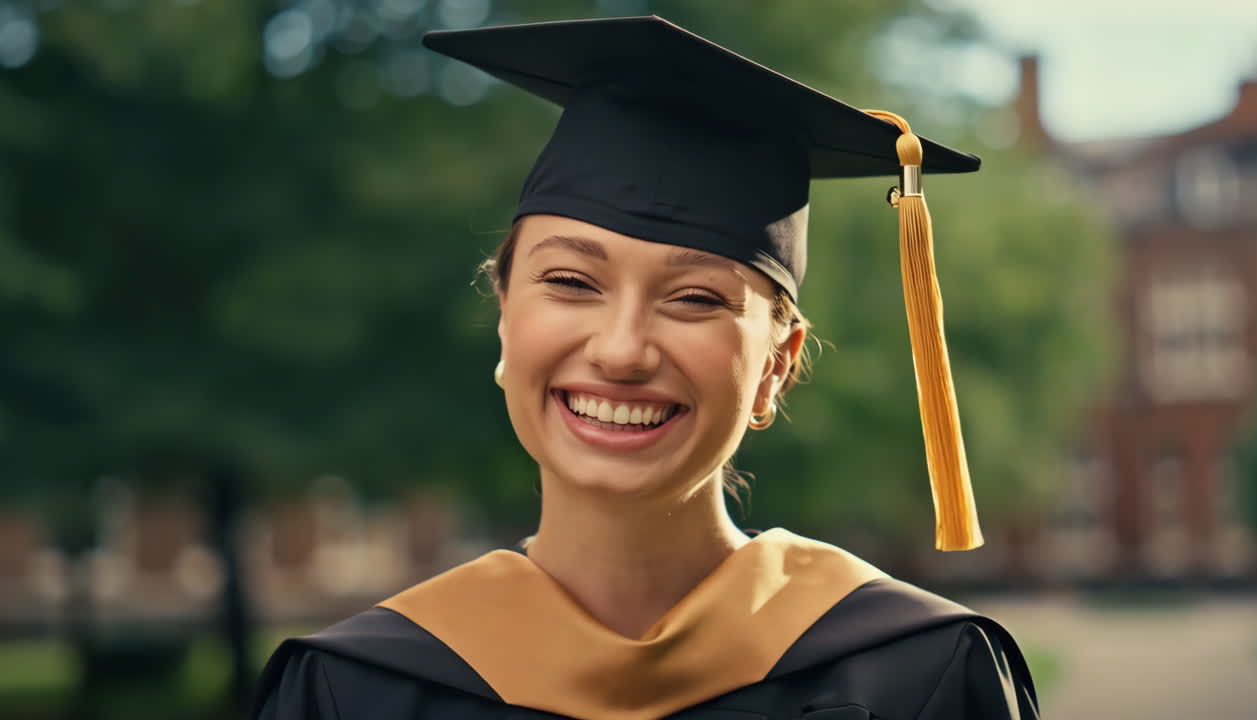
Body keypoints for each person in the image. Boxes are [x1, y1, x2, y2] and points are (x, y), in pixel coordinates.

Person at [254, 15, 1039, 720]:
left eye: (696, 297)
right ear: (504, 319)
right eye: (570, 282)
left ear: (777, 364)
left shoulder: (920, 678)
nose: (622, 349)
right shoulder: (352, 693)